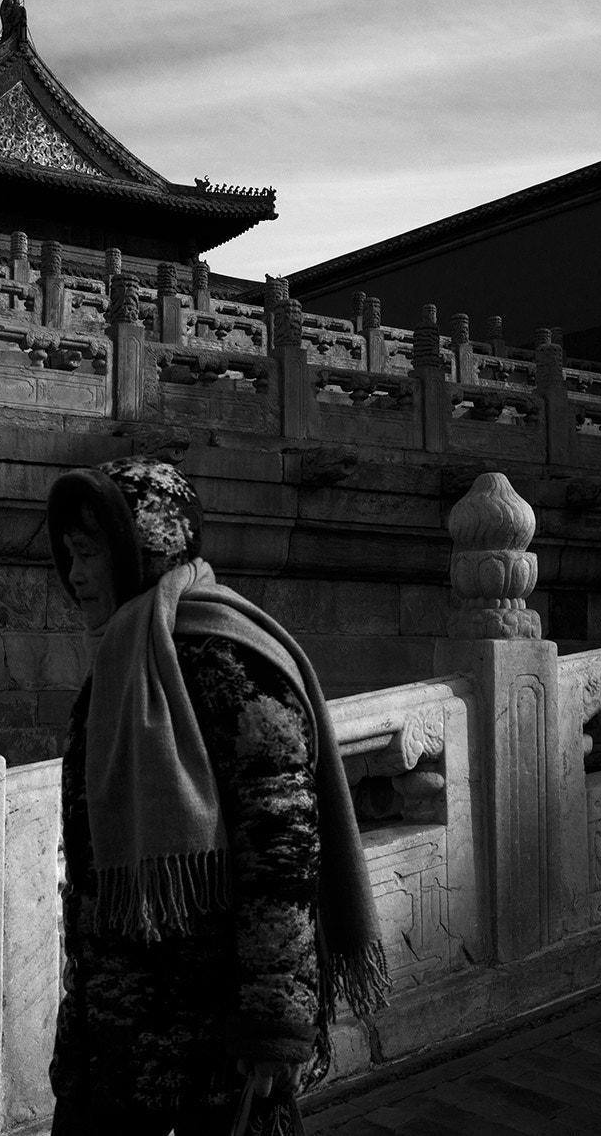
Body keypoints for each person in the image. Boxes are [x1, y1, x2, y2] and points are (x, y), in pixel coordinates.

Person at [45, 457, 389, 1136]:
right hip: (114, 1042)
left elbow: (282, 863)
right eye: (69, 556)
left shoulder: (238, 667)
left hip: (213, 1054)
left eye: (89, 554)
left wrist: (272, 1032)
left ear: (141, 549)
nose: (75, 575)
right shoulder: (121, 666)